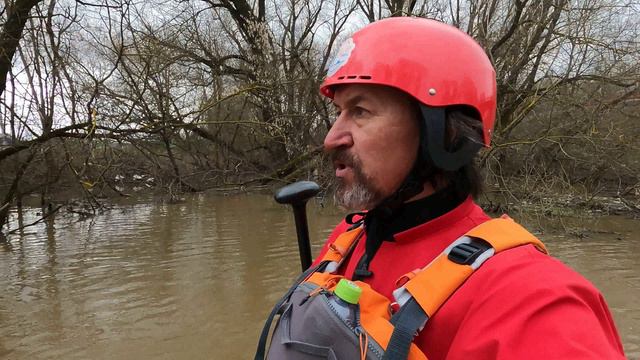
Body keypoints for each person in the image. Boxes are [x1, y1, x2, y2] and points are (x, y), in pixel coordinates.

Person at [257, 17, 625, 360]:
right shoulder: (349, 238)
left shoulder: (537, 302)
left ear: (443, 132)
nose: (331, 138)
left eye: (361, 111)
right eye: (338, 111)